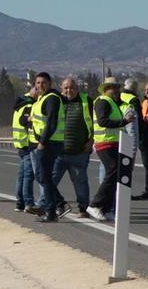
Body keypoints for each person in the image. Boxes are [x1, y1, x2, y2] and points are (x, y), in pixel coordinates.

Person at [36, 76, 92, 222]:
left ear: (77, 89)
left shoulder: (85, 102)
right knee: (48, 179)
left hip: (78, 150)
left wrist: (91, 141)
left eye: (72, 88)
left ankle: (83, 208)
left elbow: (94, 123)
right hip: (59, 151)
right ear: (61, 88)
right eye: (66, 88)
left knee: (80, 181)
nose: (69, 91)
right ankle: (48, 205)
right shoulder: (56, 101)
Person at [87, 75, 126, 220]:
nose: (116, 90)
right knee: (112, 171)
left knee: (116, 174)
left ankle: (106, 208)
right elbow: (103, 121)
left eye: (117, 87)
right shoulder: (103, 102)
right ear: (106, 89)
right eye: (113, 88)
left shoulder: (112, 102)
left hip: (114, 142)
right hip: (105, 142)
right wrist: (123, 122)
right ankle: (95, 205)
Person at [10, 88, 39, 212]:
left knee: (22, 174)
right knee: (28, 174)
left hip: (20, 142)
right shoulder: (29, 104)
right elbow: (25, 122)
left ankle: (20, 202)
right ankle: (28, 202)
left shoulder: (21, 102)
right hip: (27, 142)